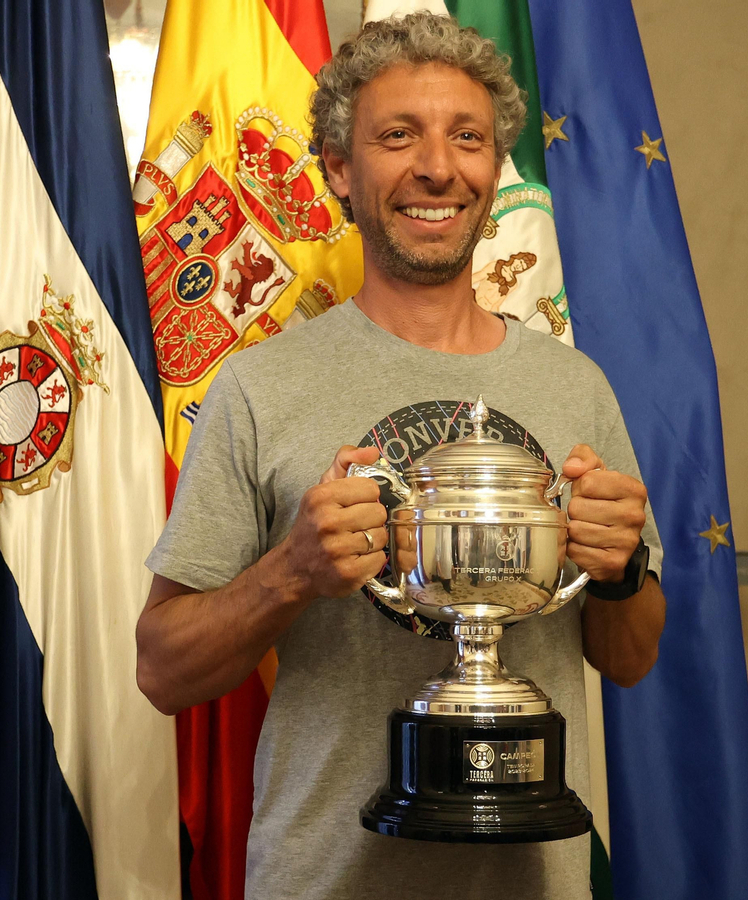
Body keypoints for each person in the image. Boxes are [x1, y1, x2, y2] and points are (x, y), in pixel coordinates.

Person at [134, 12, 668, 900]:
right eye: (397, 136)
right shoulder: (257, 388)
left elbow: (632, 656)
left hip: (531, 880)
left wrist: (617, 573)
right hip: (321, 879)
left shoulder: (578, 388)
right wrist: (291, 572)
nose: (436, 167)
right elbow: (162, 669)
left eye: (468, 138)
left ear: (496, 170)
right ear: (340, 170)